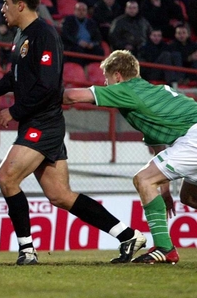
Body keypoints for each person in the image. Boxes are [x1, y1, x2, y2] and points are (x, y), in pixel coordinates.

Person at [0, 0, 146, 265]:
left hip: (43, 122)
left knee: (6, 178)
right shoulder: (21, 36)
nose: (2, 9)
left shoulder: (45, 35)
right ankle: (128, 235)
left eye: (5, 4)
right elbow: (15, 78)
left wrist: (14, 112)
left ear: (20, 5)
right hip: (35, 121)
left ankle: (27, 250)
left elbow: (48, 87)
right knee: (60, 195)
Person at [62, 50, 197, 263]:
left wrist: (39, 94)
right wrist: (164, 190)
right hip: (189, 138)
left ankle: (165, 248)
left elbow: (71, 96)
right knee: (189, 197)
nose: (106, 84)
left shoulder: (126, 89)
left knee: (143, 179)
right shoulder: (151, 92)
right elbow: (159, 148)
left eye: (107, 79)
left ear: (117, 76)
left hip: (194, 137)